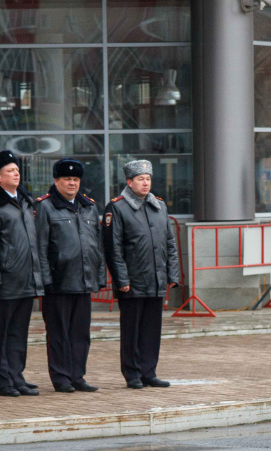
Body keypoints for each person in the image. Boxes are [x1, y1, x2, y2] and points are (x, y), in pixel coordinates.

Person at [102, 160, 179, 390]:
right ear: (129, 182)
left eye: (148, 179)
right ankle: (132, 373)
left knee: (151, 330)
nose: (145, 183)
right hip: (133, 281)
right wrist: (121, 280)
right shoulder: (117, 207)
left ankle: (149, 372)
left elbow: (170, 243)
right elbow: (113, 248)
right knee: (132, 330)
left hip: (156, 280)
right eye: (140, 179)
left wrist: (171, 274)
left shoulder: (159, 206)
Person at [35, 158, 105, 393]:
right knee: (58, 334)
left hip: (83, 279)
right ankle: (61, 377)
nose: (72, 183)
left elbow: (97, 244)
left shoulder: (89, 206)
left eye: (75, 179)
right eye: (67, 179)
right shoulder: (44, 206)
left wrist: (99, 276)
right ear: (56, 181)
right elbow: (40, 247)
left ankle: (78, 376)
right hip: (58, 281)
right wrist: (45, 280)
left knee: (80, 333)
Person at [0, 150, 44, 397]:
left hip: (25, 278)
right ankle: (1, 379)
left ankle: (17, 375)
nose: (16, 174)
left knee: (18, 333)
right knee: (0, 333)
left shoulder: (25, 201)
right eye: (10, 170)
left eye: (17, 170)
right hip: (4, 280)